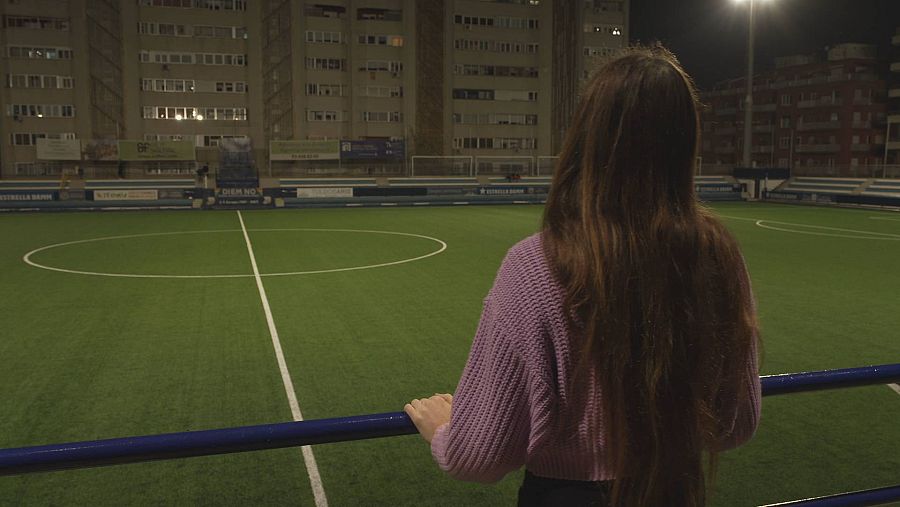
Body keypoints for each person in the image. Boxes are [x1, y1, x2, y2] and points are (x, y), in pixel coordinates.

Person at [404, 46, 761, 507]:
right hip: (677, 491)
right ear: (686, 143)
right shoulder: (718, 257)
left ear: (586, 137)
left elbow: (479, 458)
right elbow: (735, 425)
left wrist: (444, 432)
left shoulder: (536, 267)